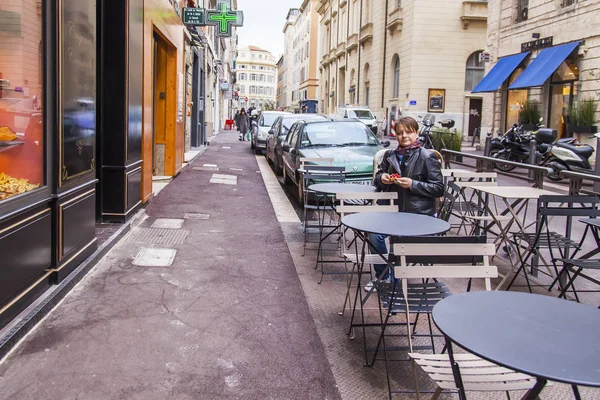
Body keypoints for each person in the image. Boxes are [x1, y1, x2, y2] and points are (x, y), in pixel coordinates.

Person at [366, 116, 444, 291]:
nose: (404, 136)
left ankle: (395, 281)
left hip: (418, 215)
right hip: (392, 212)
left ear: (416, 133)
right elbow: (377, 180)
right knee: (373, 236)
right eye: (400, 132)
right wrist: (383, 179)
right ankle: (384, 276)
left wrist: (413, 185)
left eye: (408, 132)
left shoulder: (427, 157)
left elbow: (439, 188)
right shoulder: (389, 155)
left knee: (397, 243)